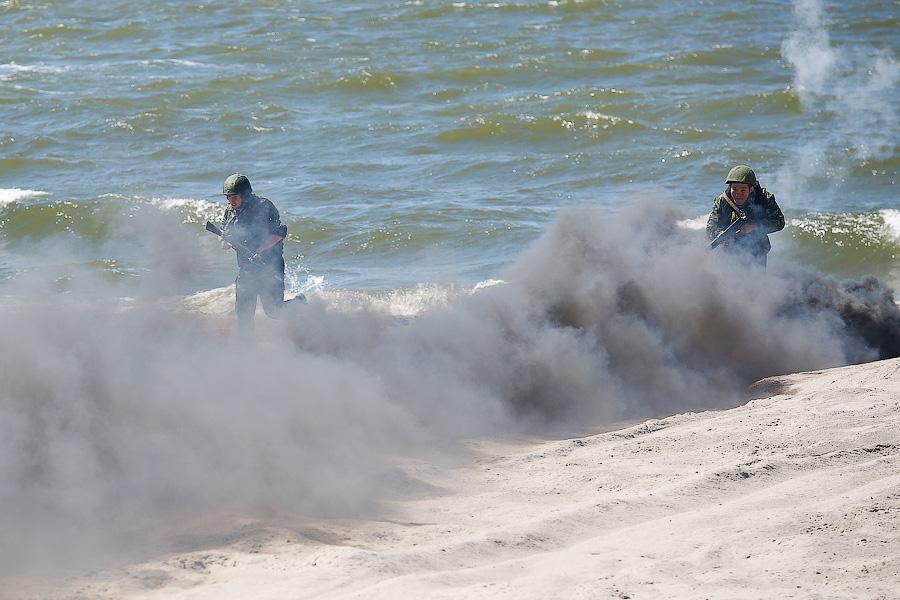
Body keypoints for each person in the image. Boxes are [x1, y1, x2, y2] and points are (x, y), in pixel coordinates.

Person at [219, 173, 302, 338]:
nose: (230, 201)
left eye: (234, 197)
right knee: (243, 313)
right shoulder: (230, 211)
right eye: (228, 197)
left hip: (270, 266)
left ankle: (300, 304)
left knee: (274, 311)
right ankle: (247, 351)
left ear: (245, 195)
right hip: (246, 269)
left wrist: (260, 251)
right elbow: (223, 235)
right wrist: (225, 240)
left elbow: (279, 233)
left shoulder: (264, 206)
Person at [705, 165, 785, 267]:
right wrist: (722, 236)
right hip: (729, 251)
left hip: (757, 251)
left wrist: (755, 226)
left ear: (751, 188)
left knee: (757, 280)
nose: (738, 194)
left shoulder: (764, 198)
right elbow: (710, 227)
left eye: (743, 190)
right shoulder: (721, 201)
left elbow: (779, 222)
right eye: (734, 189)